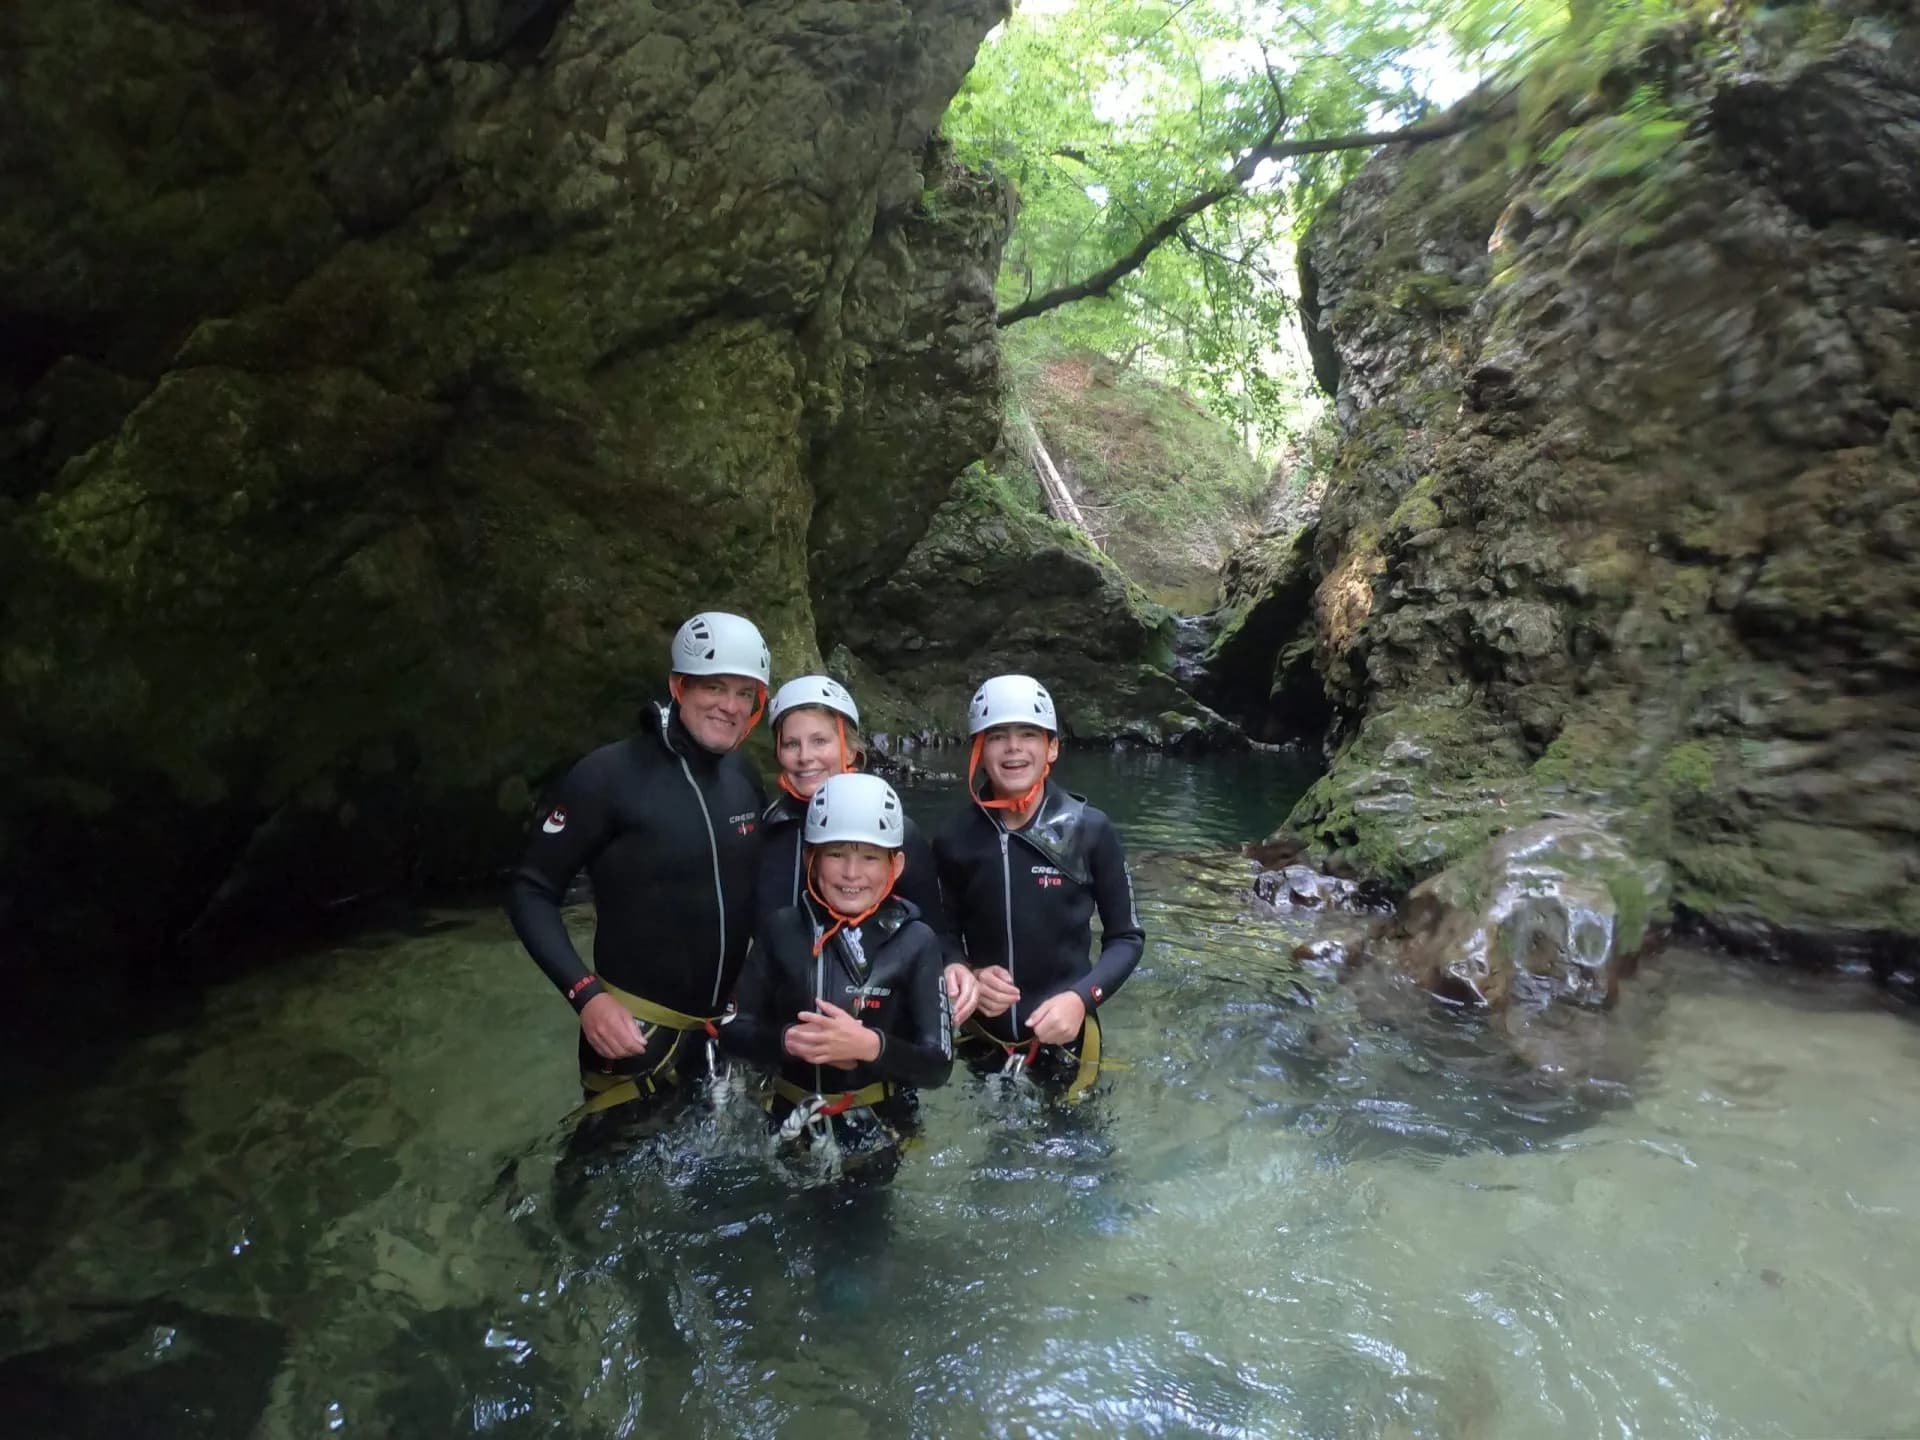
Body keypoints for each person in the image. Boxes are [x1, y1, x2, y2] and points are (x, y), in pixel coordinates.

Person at [507, 610, 770, 1118]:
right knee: (599, 1181)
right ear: (678, 685)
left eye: (745, 694)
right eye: (714, 688)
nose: (730, 706)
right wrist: (586, 998)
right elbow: (531, 889)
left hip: (726, 1030)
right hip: (633, 1033)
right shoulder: (607, 776)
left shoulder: (743, 775)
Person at [721, 772, 952, 1176]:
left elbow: (938, 1064)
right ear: (812, 858)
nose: (850, 873)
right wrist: (786, 1040)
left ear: (895, 865)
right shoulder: (781, 930)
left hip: (876, 1130)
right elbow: (732, 1029)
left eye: (868, 857)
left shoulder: (916, 942)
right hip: (786, 1120)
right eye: (836, 854)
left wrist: (870, 1045)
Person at [934, 674, 1143, 1098]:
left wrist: (1082, 998)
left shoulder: (1090, 830)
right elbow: (941, 931)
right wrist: (964, 971)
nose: (1013, 748)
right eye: (997, 736)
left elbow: (1126, 937)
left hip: (1068, 1035)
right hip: (983, 1039)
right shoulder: (955, 839)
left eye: (1028, 734)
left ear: (1051, 747)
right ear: (979, 750)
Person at [756, 674, 979, 1026]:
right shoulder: (767, 830)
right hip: (781, 1032)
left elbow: (935, 928)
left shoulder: (895, 833)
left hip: (874, 1028)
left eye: (819, 741)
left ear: (849, 747)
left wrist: (954, 964)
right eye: (791, 744)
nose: (805, 757)